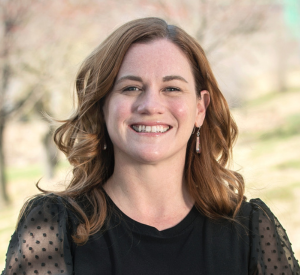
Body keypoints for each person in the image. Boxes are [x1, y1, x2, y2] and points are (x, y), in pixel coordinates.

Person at [2, 17, 299, 275]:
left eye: (172, 88)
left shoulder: (252, 232)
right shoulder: (53, 227)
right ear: (103, 106)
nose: (150, 105)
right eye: (131, 88)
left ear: (200, 108)